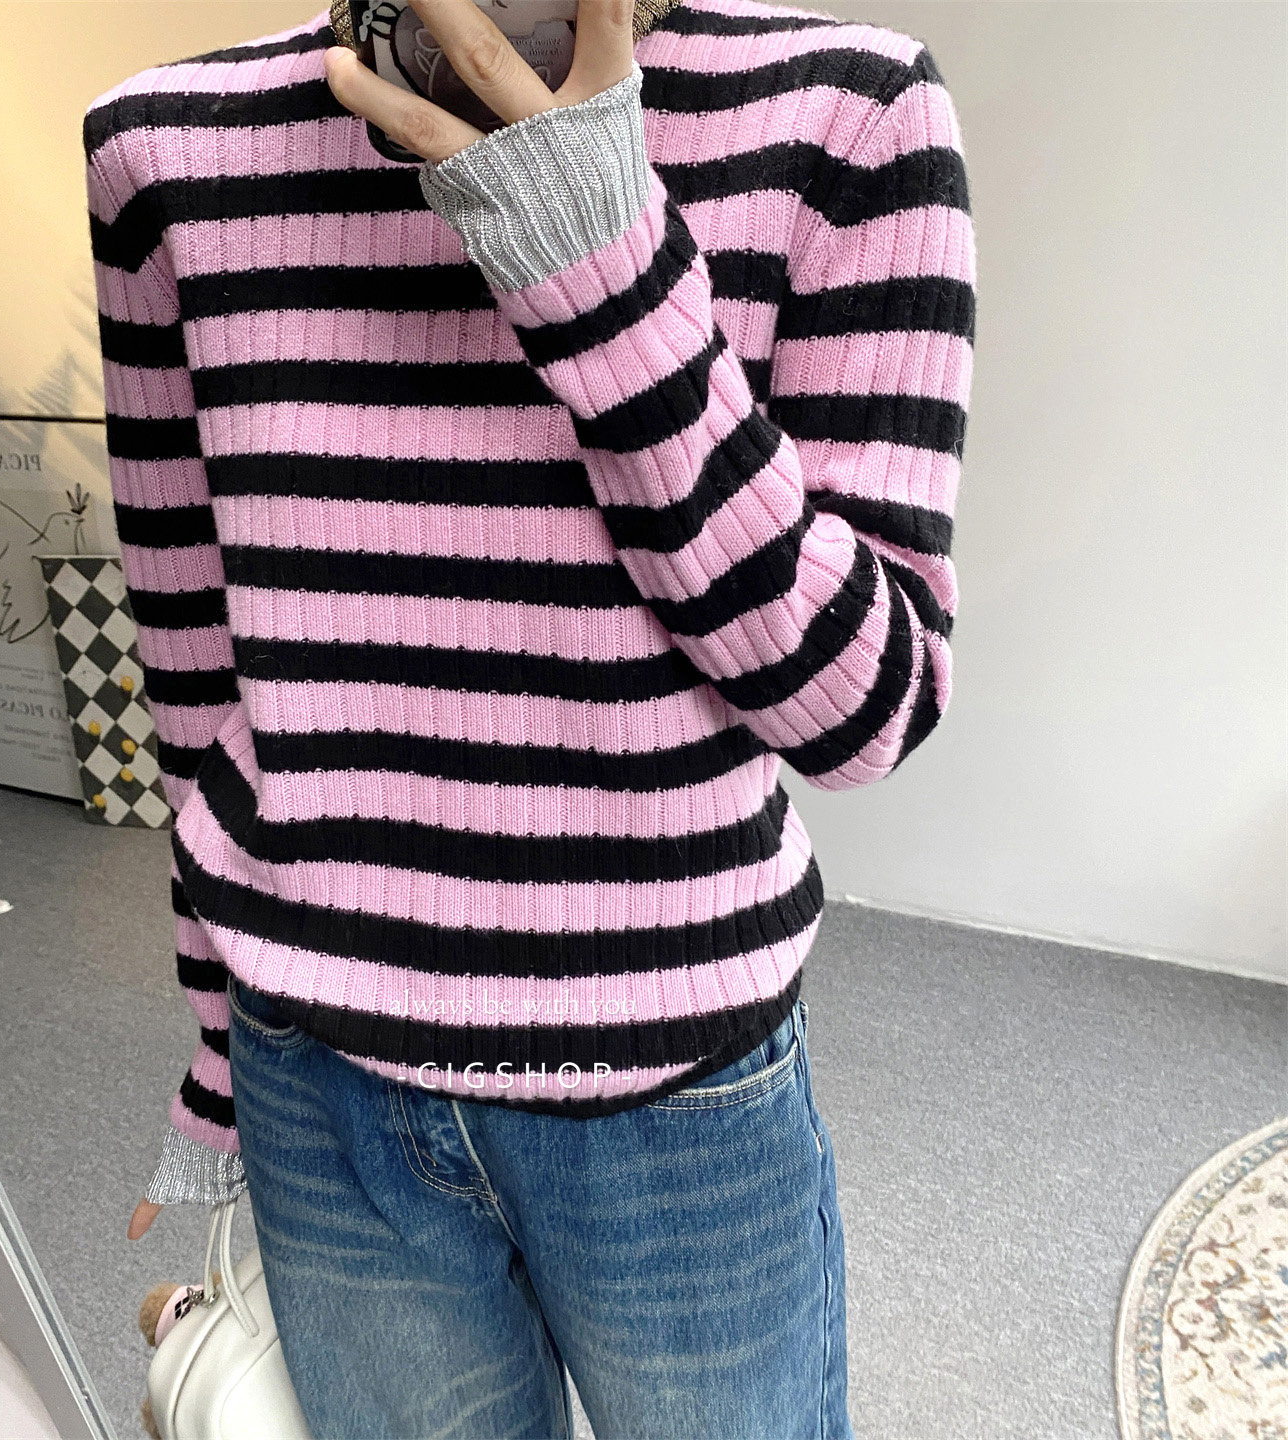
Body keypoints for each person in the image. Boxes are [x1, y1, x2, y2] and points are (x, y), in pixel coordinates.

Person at [86, 0, 974, 1432]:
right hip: (315, 1071)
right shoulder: (166, 148)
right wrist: (215, 1043)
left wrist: (596, 251)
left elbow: (862, 705)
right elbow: (198, 680)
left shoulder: (844, 116)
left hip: (671, 1088)